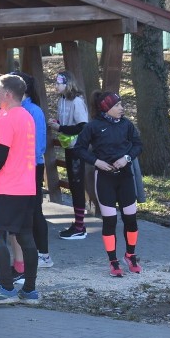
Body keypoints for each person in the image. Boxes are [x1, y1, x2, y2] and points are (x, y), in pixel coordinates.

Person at [0, 74, 41, 306]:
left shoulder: (5, 117)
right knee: (25, 236)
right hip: (27, 187)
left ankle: (6, 288)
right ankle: (30, 291)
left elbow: (0, 155)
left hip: (8, 188)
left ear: (8, 94)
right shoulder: (27, 116)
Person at [73, 91, 143, 277]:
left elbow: (138, 145)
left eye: (121, 105)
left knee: (131, 220)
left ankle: (131, 255)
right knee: (110, 221)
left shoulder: (127, 124)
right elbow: (79, 148)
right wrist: (97, 162)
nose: (122, 108)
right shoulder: (93, 126)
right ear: (106, 108)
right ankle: (113, 261)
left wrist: (127, 158)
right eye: (117, 105)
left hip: (125, 177)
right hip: (105, 179)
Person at [11, 71, 52, 269]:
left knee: (35, 210)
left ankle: (44, 254)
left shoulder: (33, 111)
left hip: (32, 166)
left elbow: (37, 145)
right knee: (27, 211)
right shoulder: (17, 109)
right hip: (24, 167)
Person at [48, 71, 89, 240]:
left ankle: (80, 227)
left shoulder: (77, 101)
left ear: (68, 84)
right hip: (68, 146)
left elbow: (82, 126)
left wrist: (60, 128)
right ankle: (78, 223)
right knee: (73, 184)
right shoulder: (62, 100)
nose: (56, 86)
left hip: (77, 148)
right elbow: (65, 122)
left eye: (59, 83)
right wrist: (57, 124)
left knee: (77, 184)